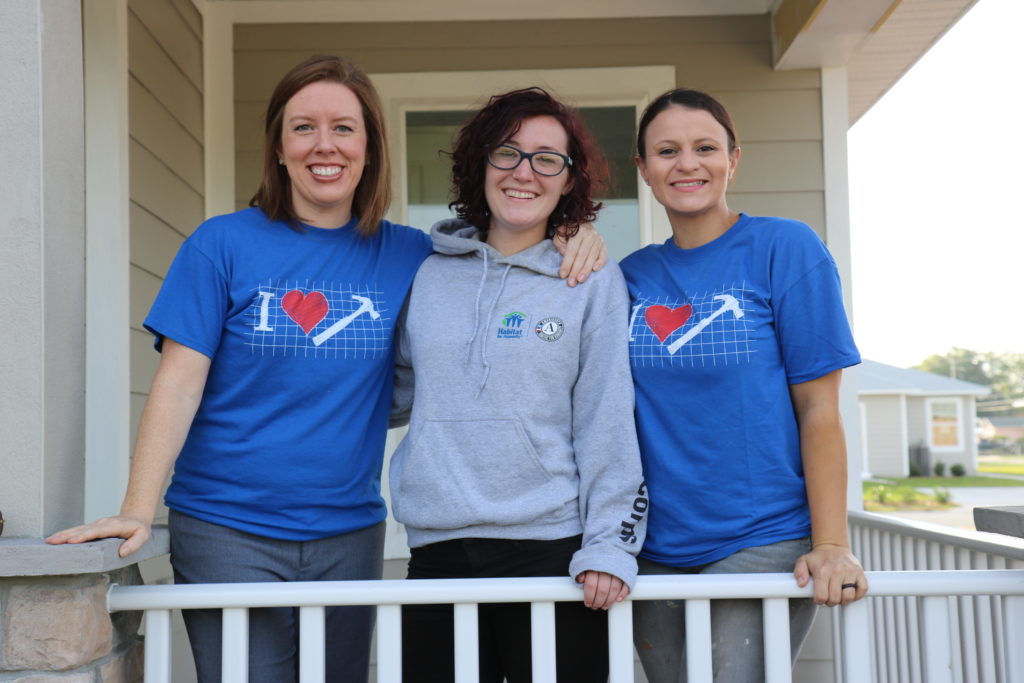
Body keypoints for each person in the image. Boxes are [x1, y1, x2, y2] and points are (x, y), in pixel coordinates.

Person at [45, 56, 605, 682]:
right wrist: (136, 506)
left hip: (349, 531)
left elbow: (498, 261)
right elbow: (178, 383)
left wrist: (573, 229)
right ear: (279, 148)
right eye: (303, 127)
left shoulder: (412, 256)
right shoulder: (222, 244)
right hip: (230, 527)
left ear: (368, 148)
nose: (324, 145)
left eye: (343, 128)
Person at [388, 87, 647, 682]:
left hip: (552, 549)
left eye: (546, 158)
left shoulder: (589, 281)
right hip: (436, 549)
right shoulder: (426, 274)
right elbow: (389, 396)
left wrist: (611, 546)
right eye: (508, 153)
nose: (524, 172)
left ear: (568, 180)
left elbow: (607, 418)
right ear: (480, 163)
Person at [620, 88, 868, 682]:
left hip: (761, 537)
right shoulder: (629, 277)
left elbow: (819, 410)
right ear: (644, 169)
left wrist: (831, 542)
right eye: (667, 150)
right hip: (653, 550)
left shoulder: (785, 248)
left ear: (733, 158)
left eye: (705, 147)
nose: (687, 163)